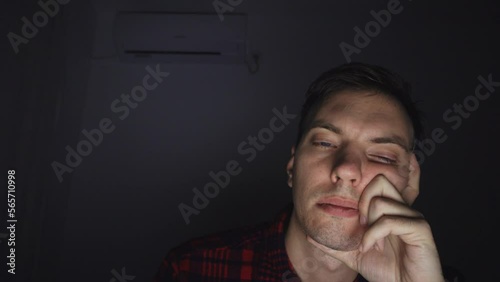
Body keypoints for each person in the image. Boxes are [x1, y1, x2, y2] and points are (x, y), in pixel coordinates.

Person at [153, 62, 446, 282]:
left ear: (408, 177)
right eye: (324, 142)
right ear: (293, 165)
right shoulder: (191, 268)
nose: (345, 170)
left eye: (382, 156)